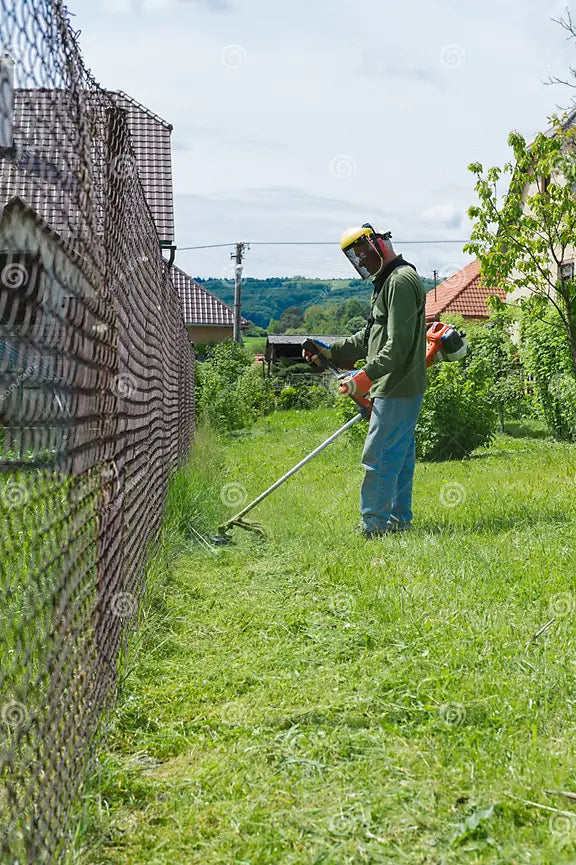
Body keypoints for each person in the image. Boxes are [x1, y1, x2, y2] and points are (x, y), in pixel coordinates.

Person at [305, 224, 427, 538]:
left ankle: (373, 527)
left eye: (360, 253)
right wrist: (330, 351)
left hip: (397, 385)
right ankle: (398, 522)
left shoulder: (400, 281)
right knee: (398, 458)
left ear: (375, 243)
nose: (359, 261)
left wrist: (365, 376)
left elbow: (397, 346)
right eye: (353, 257)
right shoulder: (385, 282)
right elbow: (370, 337)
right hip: (395, 385)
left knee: (379, 456)